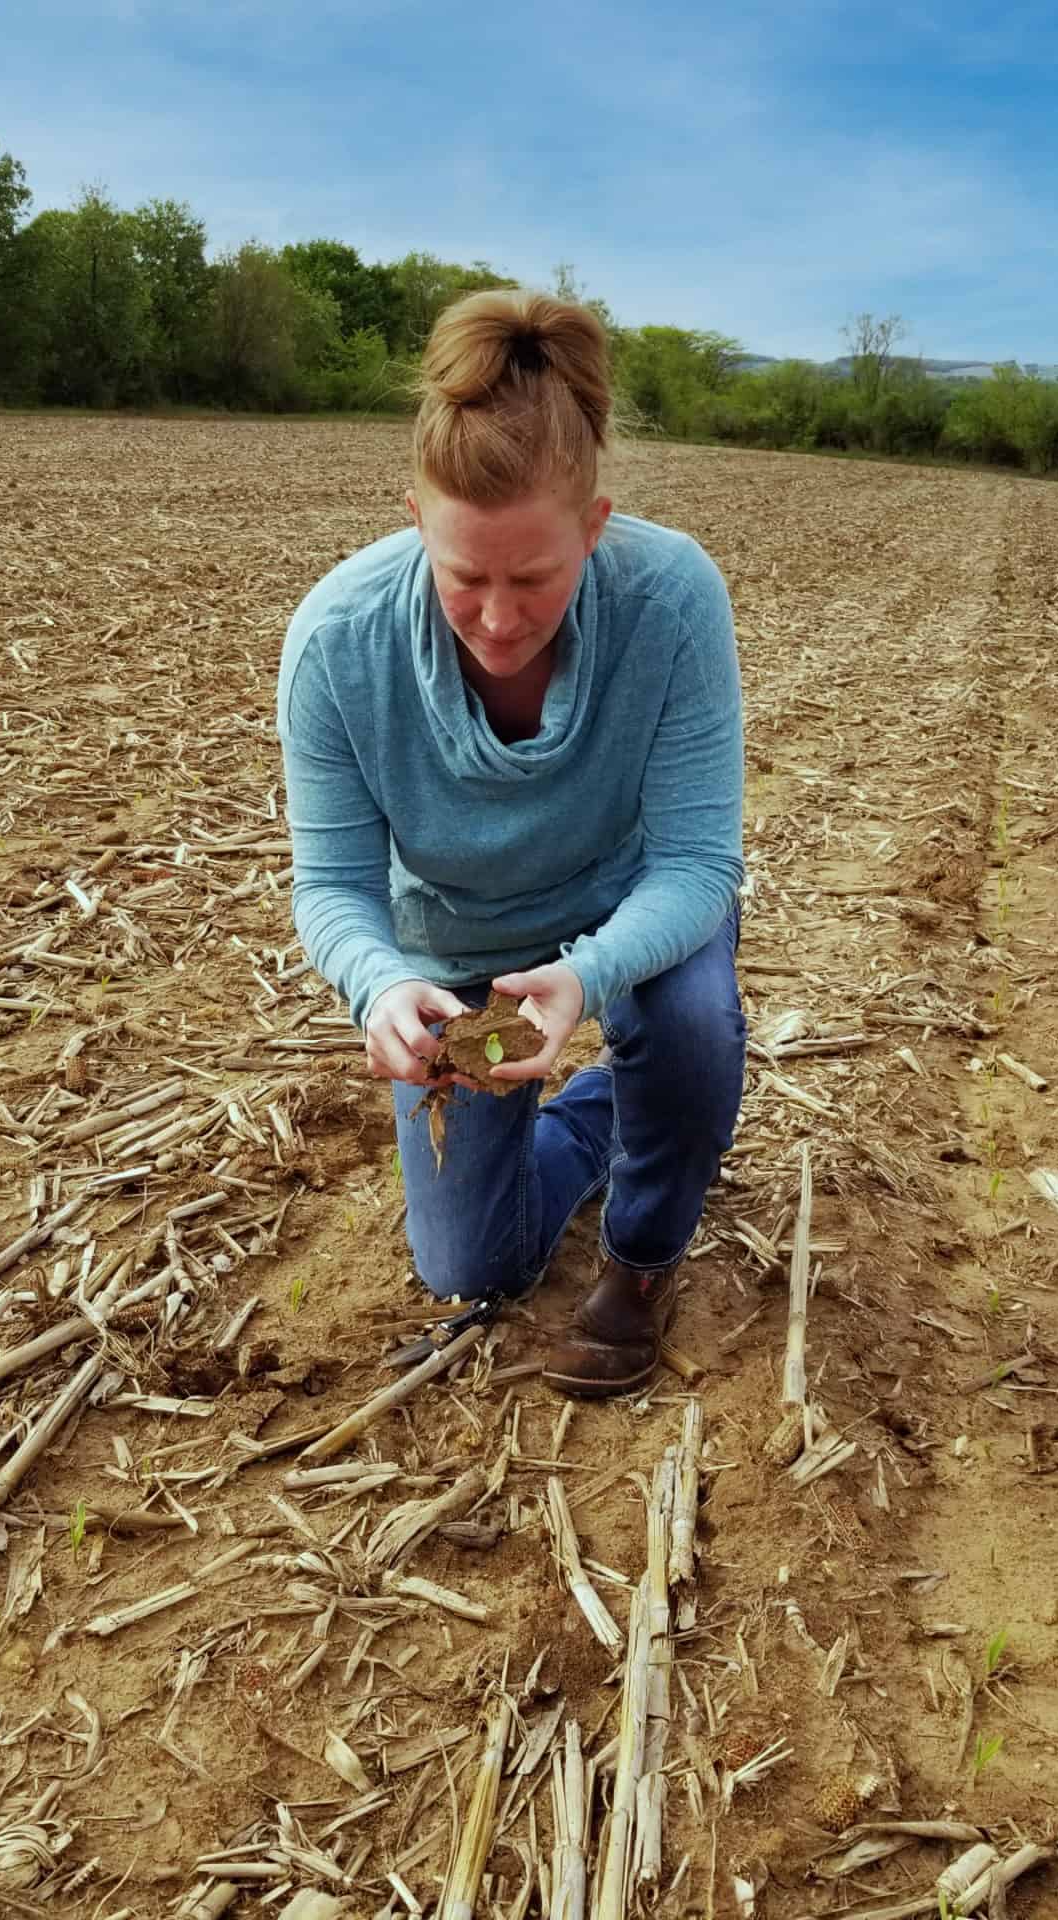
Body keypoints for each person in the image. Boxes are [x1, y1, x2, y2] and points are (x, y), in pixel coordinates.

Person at [276, 289, 746, 1398]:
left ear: (595, 526)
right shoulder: (337, 644)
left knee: (689, 1025)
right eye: (463, 577)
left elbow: (695, 865)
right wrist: (379, 984)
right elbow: (333, 885)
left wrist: (587, 976)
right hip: (458, 942)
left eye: (534, 577)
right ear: (415, 522)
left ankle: (641, 1260)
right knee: (470, 1266)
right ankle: (613, 1109)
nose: (495, 617)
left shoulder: (670, 599)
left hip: (628, 909)